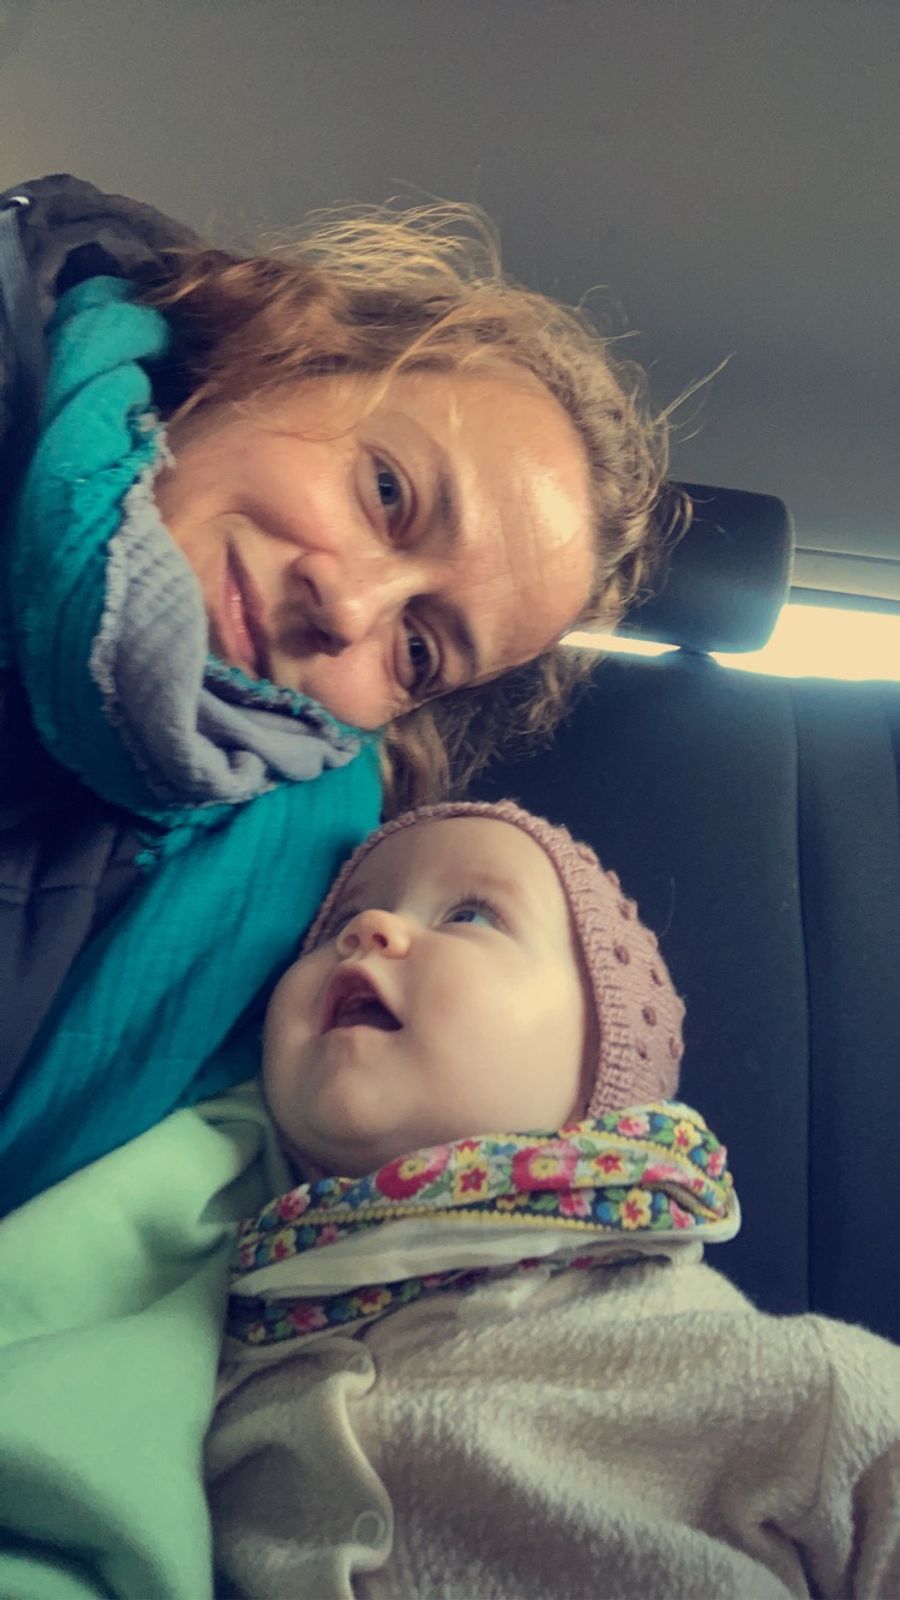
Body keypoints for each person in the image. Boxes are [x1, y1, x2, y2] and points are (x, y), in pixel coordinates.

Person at [0, 174, 688, 1211]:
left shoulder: (302, 876)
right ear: (296, 357)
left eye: (417, 649)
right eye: (387, 493)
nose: (350, 606)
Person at [205, 799, 900, 1600]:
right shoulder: (218, 1333)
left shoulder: (749, 1373)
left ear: (602, 1062)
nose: (370, 931)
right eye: (338, 924)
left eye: (470, 914)